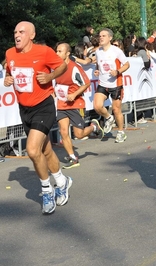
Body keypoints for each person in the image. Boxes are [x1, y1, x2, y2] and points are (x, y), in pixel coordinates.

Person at [4, 21, 71, 214]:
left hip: (44, 106)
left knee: (32, 150)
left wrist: (50, 78)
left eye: (22, 32)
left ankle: (47, 190)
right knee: (46, 151)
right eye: (15, 31)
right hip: (24, 109)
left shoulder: (44, 52)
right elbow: (10, 73)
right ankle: (62, 181)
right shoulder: (10, 54)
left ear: (31, 35)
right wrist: (8, 79)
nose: (17, 35)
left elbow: (62, 66)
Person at [54, 42, 104, 169]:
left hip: (75, 103)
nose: (57, 53)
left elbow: (86, 83)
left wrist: (74, 94)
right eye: (57, 51)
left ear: (67, 54)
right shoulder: (56, 67)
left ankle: (93, 127)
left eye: (60, 51)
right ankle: (72, 157)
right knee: (63, 132)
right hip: (62, 104)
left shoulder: (74, 67)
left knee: (79, 135)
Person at [93, 28, 130, 143]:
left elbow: (127, 64)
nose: (101, 37)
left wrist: (117, 71)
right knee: (97, 106)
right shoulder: (98, 51)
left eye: (104, 35)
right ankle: (109, 117)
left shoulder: (116, 51)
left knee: (116, 109)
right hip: (103, 83)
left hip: (115, 83)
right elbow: (98, 65)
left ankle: (120, 132)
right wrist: (97, 70)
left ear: (110, 38)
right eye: (100, 36)